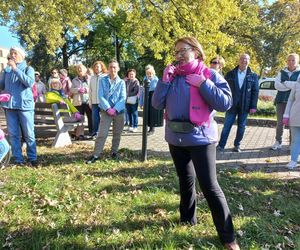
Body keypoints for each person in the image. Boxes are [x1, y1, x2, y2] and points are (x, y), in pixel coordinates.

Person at [152, 37, 239, 250]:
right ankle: (187, 219)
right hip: (176, 138)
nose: (179, 54)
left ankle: (228, 238)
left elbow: (225, 103)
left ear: (196, 52)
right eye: (176, 51)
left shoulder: (209, 73)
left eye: (184, 50)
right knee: (185, 180)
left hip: (202, 139)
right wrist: (163, 81)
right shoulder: (171, 77)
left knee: (210, 186)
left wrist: (203, 84)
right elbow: (156, 104)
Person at [0, 47, 38, 166]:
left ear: (22, 56)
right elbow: (2, 86)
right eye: (11, 54)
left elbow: (30, 83)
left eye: (15, 53)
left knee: (29, 133)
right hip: (9, 106)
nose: (13, 55)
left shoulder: (28, 69)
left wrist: (15, 69)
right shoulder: (7, 70)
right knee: (13, 134)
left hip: (24, 106)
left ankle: (32, 158)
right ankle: (18, 159)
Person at [86, 59, 126, 163]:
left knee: (117, 133)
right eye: (111, 67)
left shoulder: (121, 82)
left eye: (114, 67)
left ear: (118, 69)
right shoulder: (102, 80)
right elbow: (101, 95)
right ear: (107, 69)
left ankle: (114, 151)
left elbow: (123, 98)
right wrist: (108, 108)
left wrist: (115, 109)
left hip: (119, 112)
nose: (112, 69)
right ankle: (96, 154)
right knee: (102, 133)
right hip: (106, 112)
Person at [217, 54, 259, 152]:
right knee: (227, 126)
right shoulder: (230, 74)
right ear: (238, 60)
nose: (244, 60)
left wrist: (253, 106)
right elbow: (224, 89)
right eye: (242, 58)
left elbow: (255, 92)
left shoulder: (253, 75)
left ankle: (237, 145)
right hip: (231, 105)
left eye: (247, 59)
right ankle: (221, 145)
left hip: (245, 106)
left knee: (241, 127)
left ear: (249, 61)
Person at [271, 53, 300, 150]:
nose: (291, 62)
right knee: (280, 122)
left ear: (297, 61)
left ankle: (292, 144)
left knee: (293, 123)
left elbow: (297, 86)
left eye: (293, 60)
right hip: (280, 100)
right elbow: (276, 85)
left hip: (294, 102)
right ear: (286, 61)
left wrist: (285, 83)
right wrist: (291, 86)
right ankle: (278, 142)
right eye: (289, 60)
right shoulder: (281, 72)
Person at [283, 67, 300, 169]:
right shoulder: (296, 85)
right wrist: (286, 115)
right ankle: (293, 161)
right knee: (295, 140)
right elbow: (290, 100)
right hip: (295, 116)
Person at [71, 64, 92, 139]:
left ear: (85, 70)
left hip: (88, 101)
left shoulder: (90, 78)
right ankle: (80, 135)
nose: (80, 70)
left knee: (91, 117)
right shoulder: (74, 80)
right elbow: (71, 90)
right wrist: (78, 90)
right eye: (78, 69)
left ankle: (92, 133)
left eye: (81, 68)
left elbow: (93, 88)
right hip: (78, 102)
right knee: (80, 118)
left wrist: (86, 89)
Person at [88, 61, 107, 137]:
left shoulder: (105, 76)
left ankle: (102, 132)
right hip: (94, 102)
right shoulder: (92, 78)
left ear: (101, 67)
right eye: (95, 67)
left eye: (98, 67)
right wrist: (90, 102)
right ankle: (95, 132)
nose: (96, 68)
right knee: (95, 118)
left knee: (104, 118)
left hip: (102, 102)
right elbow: (90, 90)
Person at [144, 64, 161, 135]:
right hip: (147, 95)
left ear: (153, 72)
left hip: (153, 95)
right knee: (147, 112)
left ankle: (152, 129)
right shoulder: (145, 78)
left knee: (152, 113)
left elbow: (157, 89)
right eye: (147, 73)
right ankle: (148, 127)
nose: (149, 74)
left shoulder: (155, 79)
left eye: (150, 73)